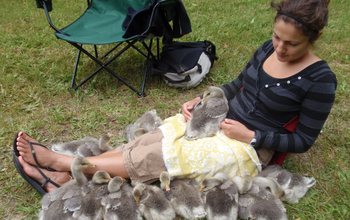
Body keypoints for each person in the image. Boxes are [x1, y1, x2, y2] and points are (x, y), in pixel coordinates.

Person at [14, 0, 336, 194]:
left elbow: (304, 140)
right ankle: (69, 175)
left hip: (248, 149)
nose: (279, 48)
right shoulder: (267, 49)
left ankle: (62, 164)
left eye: (291, 44)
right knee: (151, 141)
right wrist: (203, 98)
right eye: (277, 37)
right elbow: (237, 83)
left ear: (315, 37)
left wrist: (252, 136)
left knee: (163, 156)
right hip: (218, 120)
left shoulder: (320, 80)